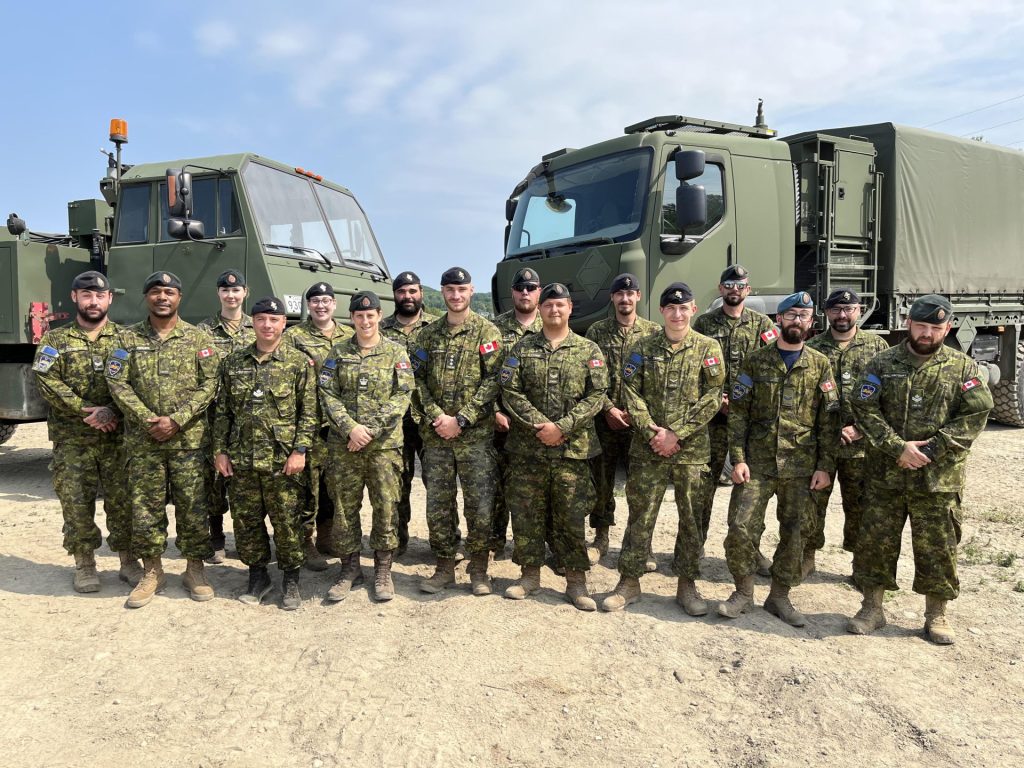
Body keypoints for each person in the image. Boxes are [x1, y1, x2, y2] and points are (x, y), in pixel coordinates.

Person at [848, 295, 992, 644]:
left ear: (947, 329)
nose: (927, 333)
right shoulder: (882, 363)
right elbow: (864, 407)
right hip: (886, 474)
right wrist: (898, 447)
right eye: (921, 325)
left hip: (938, 479)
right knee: (875, 543)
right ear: (909, 324)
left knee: (938, 547)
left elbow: (975, 414)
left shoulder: (963, 368)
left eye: (935, 327)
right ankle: (872, 608)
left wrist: (927, 451)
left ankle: (936, 614)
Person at [601, 283, 725, 614]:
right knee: (641, 515)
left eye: (683, 308)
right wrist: (653, 432)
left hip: (691, 449)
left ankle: (687, 586)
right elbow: (631, 391)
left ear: (693, 310)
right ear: (662, 311)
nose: (677, 313)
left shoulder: (707, 347)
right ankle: (629, 582)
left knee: (690, 518)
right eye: (671, 308)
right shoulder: (642, 347)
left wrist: (677, 433)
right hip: (648, 446)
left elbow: (713, 396)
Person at [718, 291, 839, 626]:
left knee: (796, 532)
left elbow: (829, 419)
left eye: (803, 315)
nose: (797, 321)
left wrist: (826, 467)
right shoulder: (756, 361)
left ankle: (780, 596)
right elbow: (738, 414)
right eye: (791, 315)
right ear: (779, 320)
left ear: (812, 322)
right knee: (741, 528)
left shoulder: (819, 363)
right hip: (757, 463)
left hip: (801, 466)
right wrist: (738, 459)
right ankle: (743, 592)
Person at [106, 271, 220, 608]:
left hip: (188, 441)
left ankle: (195, 570)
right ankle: (152, 571)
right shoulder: (126, 341)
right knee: (145, 507)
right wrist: (147, 419)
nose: (162, 297)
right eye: (155, 291)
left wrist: (177, 420)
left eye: (169, 291)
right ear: (146, 298)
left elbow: (210, 384)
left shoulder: (200, 340)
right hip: (144, 442)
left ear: (179, 297)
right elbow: (117, 384)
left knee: (193, 507)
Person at [500, 282, 608, 611]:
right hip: (528, 448)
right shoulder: (521, 349)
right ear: (541, 309)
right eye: (548, 305)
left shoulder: (588, 350)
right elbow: (510, 391)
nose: (554, 310)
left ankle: (576, 582)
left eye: (560, 305)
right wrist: (541, 426)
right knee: (527, 514)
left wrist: (561, 427)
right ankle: (529, 576)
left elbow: (597, 394)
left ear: (570, 309)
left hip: (572, 450)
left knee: (571, 516)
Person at [32, 270, 141, 592]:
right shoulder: (55, 340)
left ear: (109, 299)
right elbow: (45, 379)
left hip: (117, 438)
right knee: (76, 504)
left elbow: (138, 383)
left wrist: (112, 411)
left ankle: (128, 560)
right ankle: (85, 564)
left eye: (99, 295)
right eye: (86, 295)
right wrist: (87, 411)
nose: (93, 301)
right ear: (74, 298)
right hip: (72, 440)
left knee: (123, 502)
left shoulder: (126, 340)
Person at [212, 296, 317, 610]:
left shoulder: (299, 363)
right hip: (242, 459)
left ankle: (291, 580)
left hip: (282, 460)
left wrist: (299, 451)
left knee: (287, 521)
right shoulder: (233, 362)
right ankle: (258, 576)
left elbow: (309, 413)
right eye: (261, 319)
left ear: (284, 323)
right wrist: (220, 451)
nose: (267, 325)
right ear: (252, 322)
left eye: (274, 320)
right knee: (246, 521)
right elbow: (223, 413)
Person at [411, 267, 502, 595]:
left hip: (474, 438)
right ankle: (444, 566)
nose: (455, 295)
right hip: (437, 437)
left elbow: (494, 380)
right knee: (439, 503)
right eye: (449, 290)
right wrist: (437, 416)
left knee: (479, 503)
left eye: (461, 289)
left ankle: (479, 569)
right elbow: (415, 379)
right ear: (443, 292)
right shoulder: (427, 335)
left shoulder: (487, 332)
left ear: (471, 291)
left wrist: (461, 419)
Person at [320, 291, 414, 602]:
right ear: (352, 318)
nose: (365, 320)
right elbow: (327, 394)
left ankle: (383, 571)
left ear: (378, 316)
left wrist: (370, 431)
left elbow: (402, 396)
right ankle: (349, 569)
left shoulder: (396, 353)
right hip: (344, 446)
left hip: (384, 447)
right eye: (359, 316)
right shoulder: (338, 353)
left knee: (386, 507)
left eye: (370, 315)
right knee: (345, 509)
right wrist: (351, 428)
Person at [692, 265, 777, 572]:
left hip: (749, 419)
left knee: (749, 488)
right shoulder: (704, 323)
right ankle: (694, 548)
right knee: (704, 487)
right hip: (712, 418)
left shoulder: (762, 325)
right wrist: (717, 398)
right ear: (720, 288)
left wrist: (744, 400)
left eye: (740, 286)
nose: (734, 290)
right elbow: (694, 367)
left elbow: (772, 368)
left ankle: (751, 550)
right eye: (729, 285)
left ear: (748, 290)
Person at [804, 288, 889, 577]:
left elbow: (888, 398)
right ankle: (807, 558)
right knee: (812, 504)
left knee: (861, 507)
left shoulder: (877, 348)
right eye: (836, 309)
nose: (842, 315)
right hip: (821, 446)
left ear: (859, 310)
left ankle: (859, 566)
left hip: (861, 447)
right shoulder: (813, 347)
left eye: (848, 309)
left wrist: (861, 429)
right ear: (826, 313)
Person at [585, 273, 660, 566]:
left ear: (638, 297)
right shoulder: (597, 332)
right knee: (602, 483)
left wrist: (639, 414)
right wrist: (608, 409)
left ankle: (641, 544)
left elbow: (656, 380)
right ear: (612, 298)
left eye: (630, 294)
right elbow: (590, 378)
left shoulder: (654, 333)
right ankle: (601, 539)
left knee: (642, 486)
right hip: (606, 421)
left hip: (640, 424)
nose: (625, 299)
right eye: (620, 294)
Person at [284, 282, 354, 571]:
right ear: (308, 305)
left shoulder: (350, 334)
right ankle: (305, 541)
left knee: (333, 484)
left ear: (335, 304)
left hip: (340, 424)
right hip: (309, 422)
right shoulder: (294, 336)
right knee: (307, 486)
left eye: (326, 301)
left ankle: (327, 535)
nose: (321, 306)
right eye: (315, 301)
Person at [197, 268, 255, 564]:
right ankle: (216, 538)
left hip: (248, 416)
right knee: (214, 479)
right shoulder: (203, 332)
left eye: (236, 290)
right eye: (225, 290)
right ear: (218, 294)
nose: (231, 295)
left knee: (245, 479)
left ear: (245, 293)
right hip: (213, 415)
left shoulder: (257, 327)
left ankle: (247, 540)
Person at [380, 271, 439, 557]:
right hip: (395, 421)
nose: (408, 297)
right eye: (402, 292)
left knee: (436, 482)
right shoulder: (381, 329)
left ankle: (441, 543)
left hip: (429, 418)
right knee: (397, 484)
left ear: (421, 294)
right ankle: (398, 541)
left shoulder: (435, 327)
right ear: (395, 295)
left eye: (413, 291)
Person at [491, 266, 544, 558]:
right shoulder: (494, 329)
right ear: (512, 292)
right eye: (521, 288)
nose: (526, 292)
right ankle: (495, 542)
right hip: (503, 425)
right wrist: (495, 412)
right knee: (498, 487)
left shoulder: (550, 326)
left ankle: (537, 546)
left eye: (532, 288)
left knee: (537, 490)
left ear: (539, 292)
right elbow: (485, 375)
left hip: (538, 427)